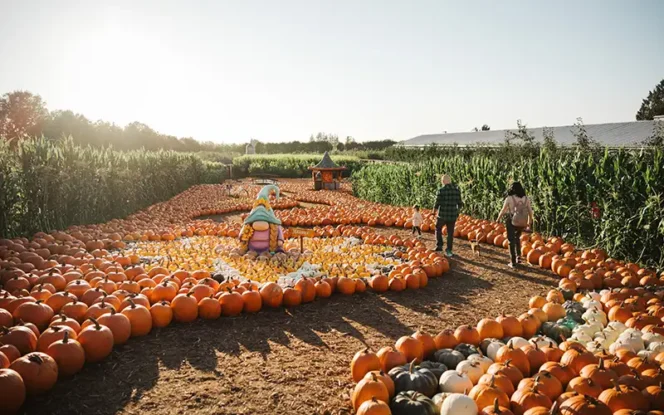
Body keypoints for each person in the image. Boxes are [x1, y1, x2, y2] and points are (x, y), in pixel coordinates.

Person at [496, 181, 534, 268]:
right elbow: (530, 211)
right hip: (522, 222)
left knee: (511, 240)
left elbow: (503, 210)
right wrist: (529, 222)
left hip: (512, 220)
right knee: (517, 238)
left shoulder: (509, 198)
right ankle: (518, 256)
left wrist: (498, 218)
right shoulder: (526, 198)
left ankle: (513, 262)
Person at [433, 174, 463, 257]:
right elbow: (460, 204)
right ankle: (449, 250)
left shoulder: (441, 190)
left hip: (442, 215)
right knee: (450, 233)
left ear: (443, 181)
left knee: (438, 228)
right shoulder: (456, 190)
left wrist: (433, 211)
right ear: (450, 181)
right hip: (452, 215)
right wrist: (457, 211)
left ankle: (439, 246)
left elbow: (437, 203)